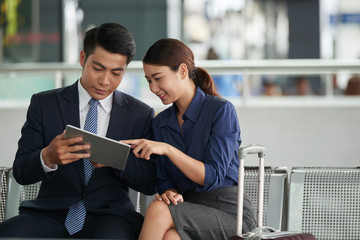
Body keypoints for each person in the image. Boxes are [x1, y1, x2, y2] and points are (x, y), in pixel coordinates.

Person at [0, 23, 157, 239]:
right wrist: (47, 157)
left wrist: (119, 160)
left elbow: (149, 182)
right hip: (49, 215)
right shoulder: (44, 104)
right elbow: (21, 171)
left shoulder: (140, 114)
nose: (105, 81)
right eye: (98, 68)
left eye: (116, 73)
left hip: (111, 219)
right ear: (83, 58)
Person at [122, 38, 256, 240]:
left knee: (159, 210)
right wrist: (169, 191)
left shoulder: (220, 111)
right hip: (189, 208)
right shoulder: (161, 123)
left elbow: (212, 176)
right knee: (171, 238)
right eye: (149, 80)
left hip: (231, 215)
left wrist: (168, 149)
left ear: (183, 71)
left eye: (158, 78)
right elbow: (164, 178)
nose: (153, 87)